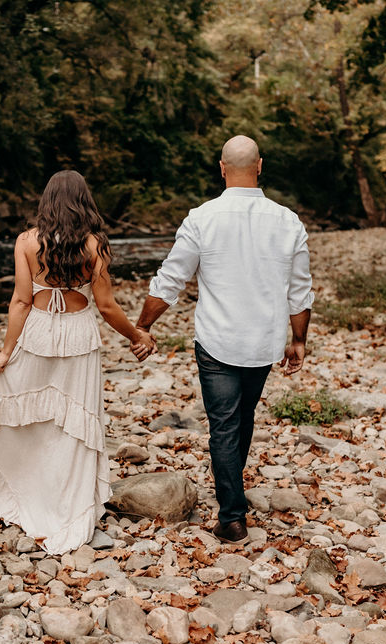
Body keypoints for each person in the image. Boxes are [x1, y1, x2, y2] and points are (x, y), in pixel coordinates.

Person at [0, 170, 156, 555]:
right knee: (75, 422)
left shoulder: (27, 241)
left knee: (32, 418)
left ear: (47, 201)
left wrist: (6, 351)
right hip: (79, 334)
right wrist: (136, 336)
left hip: (38, 331)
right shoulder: (95, 244)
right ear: (84, 201)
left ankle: (26, 489)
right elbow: (107, 306)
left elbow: (21, 301)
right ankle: (68, 499)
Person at [133, 135, 314, 544]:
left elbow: (170, 280)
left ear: (221, 168)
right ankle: (233, 505)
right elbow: (300, 289)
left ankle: (232, 515)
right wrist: (298, 340)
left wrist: (144, 325)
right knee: (239, 418)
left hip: (217, 340)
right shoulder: (288, 220)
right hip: (263, 341)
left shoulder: (201, 218)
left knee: (226, 424)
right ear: (260, 165)